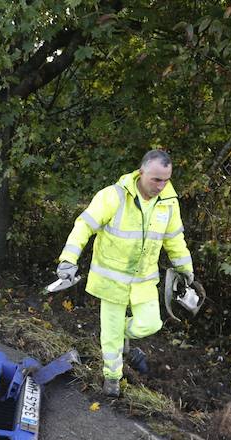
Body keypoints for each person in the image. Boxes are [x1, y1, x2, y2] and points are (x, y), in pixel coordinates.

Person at [55, 149, 195, 397]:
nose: (161, 186)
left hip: (143, 281)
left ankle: (120, 338)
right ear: (141, 173)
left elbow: (175, 240)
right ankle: (112, 379)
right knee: (110, 334)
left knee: (149, 324)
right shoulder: (113, 196)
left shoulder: (169, 203)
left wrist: (186, 269)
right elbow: (84, 225)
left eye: (166, 179)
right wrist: (68, 259)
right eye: (156, 179)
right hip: (111, 280)